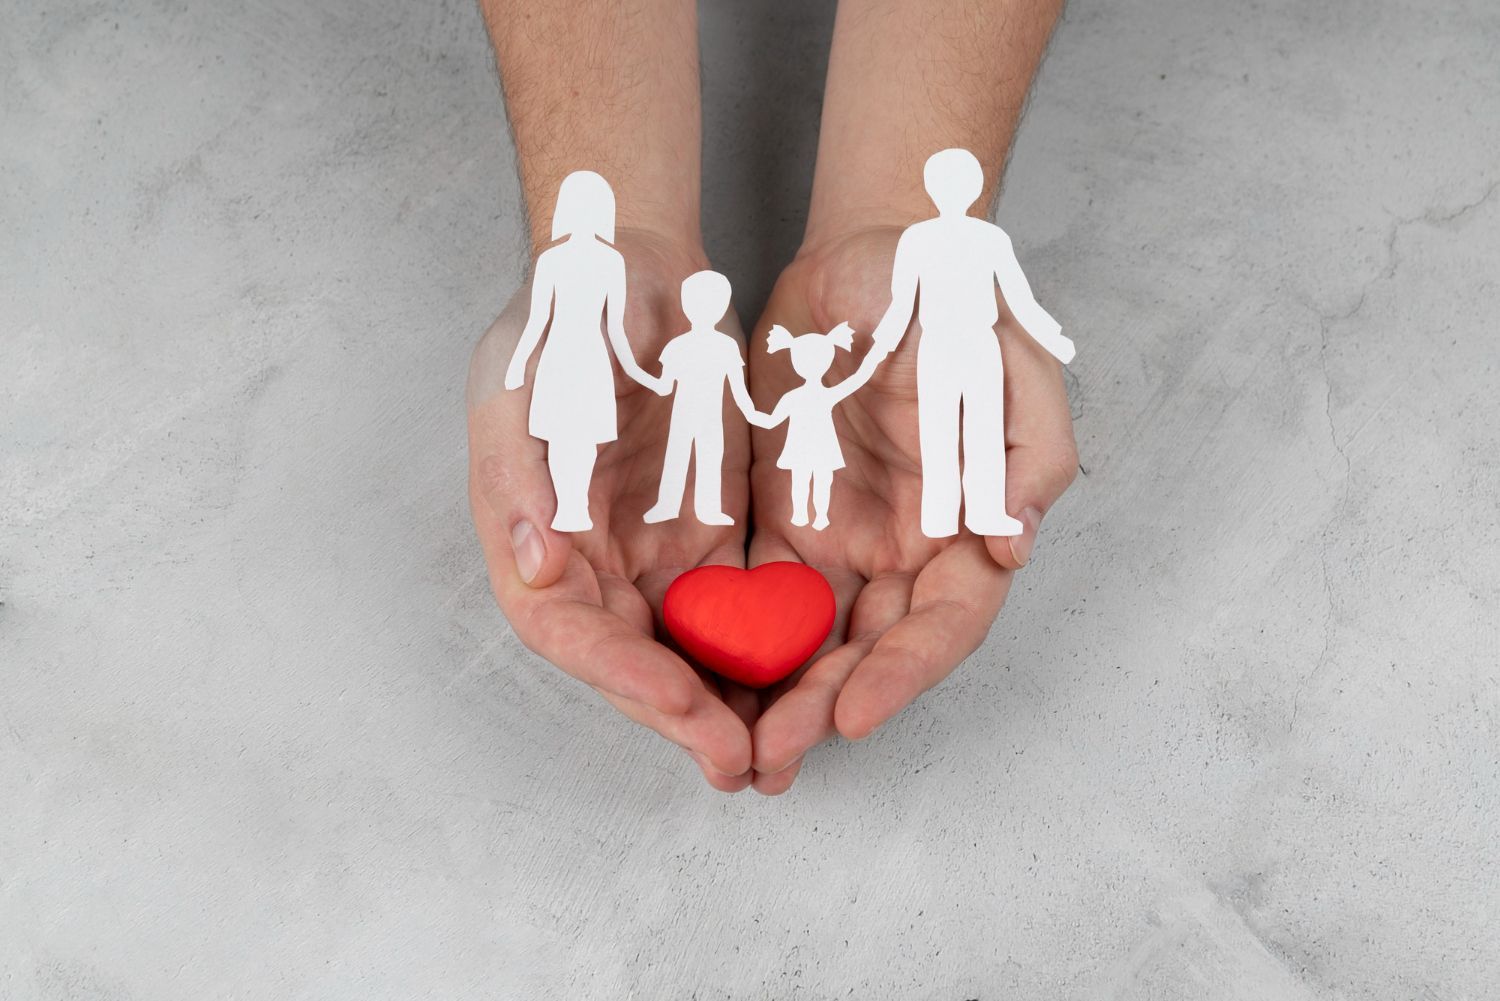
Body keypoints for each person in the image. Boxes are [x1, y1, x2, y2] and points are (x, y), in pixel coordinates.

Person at [468, 0, 1079, 795]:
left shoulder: (956, 244)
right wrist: (629, 237)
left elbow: (917, 315)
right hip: (636, 394)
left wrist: (891, 213)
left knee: (952, 412)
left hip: (945, 353)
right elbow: (889, 318)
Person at [868, 148, 1077, 538]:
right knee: (941, 430)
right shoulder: (919, 239)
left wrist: (1052, 337)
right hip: (941, 345)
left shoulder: (987, 239)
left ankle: (981, 512)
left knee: (980, 428)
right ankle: (939, 516)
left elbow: (1019, 298)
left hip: (979, 344)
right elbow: (902, 305)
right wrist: (877, 352)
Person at [502, 170, 663, 532]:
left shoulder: (611, 261)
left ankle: (578, 503)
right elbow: (538, 318)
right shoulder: (553, 260)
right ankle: (568, 506)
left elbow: (617, 327)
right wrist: (516, 364)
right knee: (560, 434)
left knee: (586, 436)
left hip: (592, 355)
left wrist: (638, 373)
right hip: (560, 354)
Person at [644, 270, 763, 526]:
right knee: (677, 456)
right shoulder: (677, 346)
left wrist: (753, 414)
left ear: (720, 308)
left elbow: (737, 387)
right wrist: (637, 374)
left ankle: (709, 510)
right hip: (684, 415)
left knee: (709, 457)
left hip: (710, 417)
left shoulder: (726, 346)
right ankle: (667, 505)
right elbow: (665, 387)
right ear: (686, 305)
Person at [756, 322, 882, 531]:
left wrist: (749, 412)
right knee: (815, 480)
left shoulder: (799, 396)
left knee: (809, 480)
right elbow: (858, 378)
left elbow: (770, 421)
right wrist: (877, 353)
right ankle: (809, 515)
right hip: (815, 445)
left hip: (815, 445)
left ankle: (810, 515)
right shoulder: (820, 395)